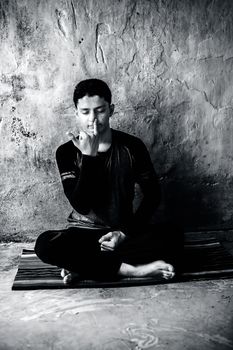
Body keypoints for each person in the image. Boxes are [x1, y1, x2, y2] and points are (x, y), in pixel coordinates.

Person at [35, 78, 183, 284]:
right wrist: (89, 157)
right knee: (45, 245)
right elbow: (81, 205)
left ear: (111, 110)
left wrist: (123, 233)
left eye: (100, 110)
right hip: (84, 235)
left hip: (122, 231)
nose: (93, 119)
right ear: (76, 113)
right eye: (85, 112)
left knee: (174, 236)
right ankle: (132, 271)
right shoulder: (66, 152)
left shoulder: (132, 146)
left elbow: (153, 196)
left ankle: (83, 268)